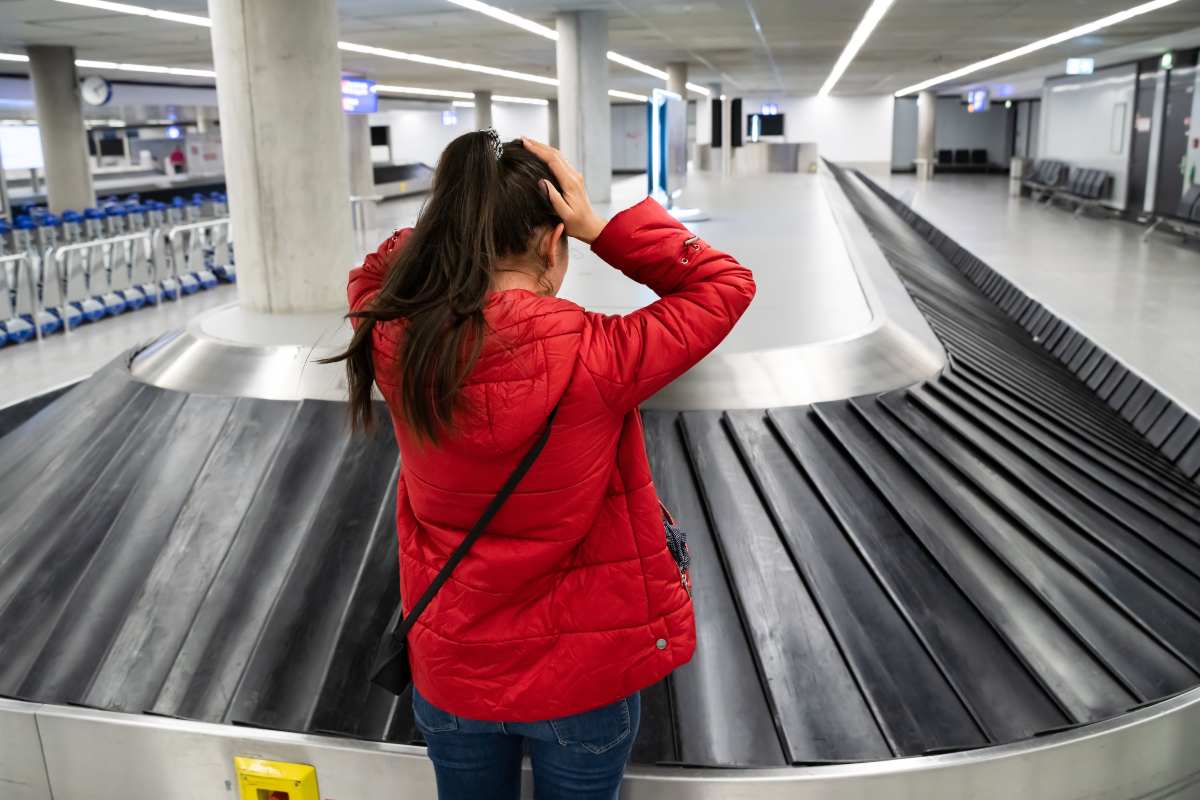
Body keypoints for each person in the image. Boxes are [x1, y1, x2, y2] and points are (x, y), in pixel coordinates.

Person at [332, 130, 755, 799]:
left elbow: (371, 273)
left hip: (454, 673)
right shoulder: (603, 354)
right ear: (553, 243)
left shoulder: (396, 344)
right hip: (581, 684)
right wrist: (603, 227)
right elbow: (724, 282)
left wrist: (453, 214)